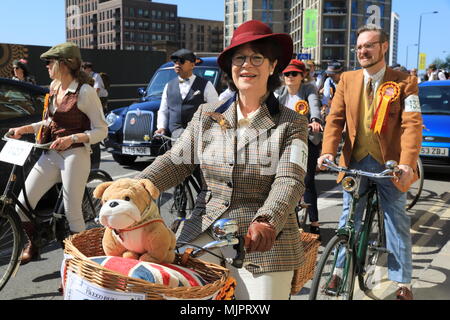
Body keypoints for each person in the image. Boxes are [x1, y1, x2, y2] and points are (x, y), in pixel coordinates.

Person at [135, 20, 309, 300]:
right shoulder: (208, 114)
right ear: (230, 66)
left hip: (265, 240)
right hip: (206, 226)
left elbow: (289, 179)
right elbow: (176, 160)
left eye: (257, 57)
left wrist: (268, 219)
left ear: (272, 65)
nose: (247, 65)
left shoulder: (292, 122)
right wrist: (136, 188)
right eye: (240, 58)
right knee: (174, 293)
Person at [317, 25, 422, 300]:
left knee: (396, 221)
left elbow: (412, 125)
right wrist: (328, 151)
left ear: (383, 47)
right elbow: (335, 119)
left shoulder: (404, 82)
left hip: (390, 166)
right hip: (355, 161)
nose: (362, 51)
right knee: (348, 218)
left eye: (369, 45)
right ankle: (339, 272)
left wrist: (407, 163)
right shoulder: (347, 80)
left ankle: (403, 283)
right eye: (359, 47)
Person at [8, 42, 108, 264]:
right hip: (51, 153)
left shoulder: (85, 91)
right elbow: (50, 121)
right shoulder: (54, 87)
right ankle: (33, 244)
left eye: (49, 62)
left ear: (65, 64)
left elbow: (101, 130)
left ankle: (77, 267)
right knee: (21, 205)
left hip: (75, 154)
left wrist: (72, 138)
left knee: (73, 213)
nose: (46, 66)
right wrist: (24, 129)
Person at [275, 59, 323, 238]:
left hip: (307, 139)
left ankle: (315, 222)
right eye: (287, 73)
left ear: (303, 76)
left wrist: (315, 120)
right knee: (281, 179)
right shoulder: (279, 92)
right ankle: (285, 219)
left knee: (308, 180)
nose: (289, 77)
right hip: (285, 141)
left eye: (294, 73)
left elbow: (315, 105)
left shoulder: (308, 89)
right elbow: (269, 110)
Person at [155, 48, 219, 138]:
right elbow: (163, 110)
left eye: (181, 61)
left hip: (198, 136)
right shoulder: (168, 86)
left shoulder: (206, 85)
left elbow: (215, 110)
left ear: (192, 65)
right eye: (175, 61)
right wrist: (161, 127)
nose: (177, 64)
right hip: (174, 138)